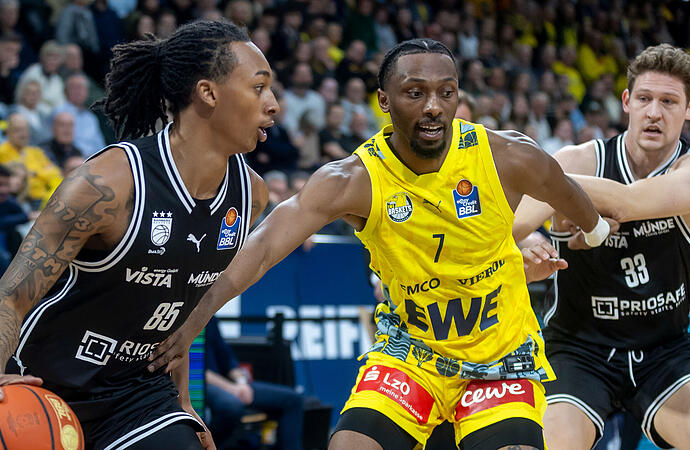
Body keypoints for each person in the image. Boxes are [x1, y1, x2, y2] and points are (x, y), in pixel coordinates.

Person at [148, 39, 610, 450]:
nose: (434, 107)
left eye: (446, 92)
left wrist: (593, 231)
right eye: (415, 93)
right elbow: (265, 246)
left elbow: (565, 188)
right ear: (384, 101)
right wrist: (196, 317)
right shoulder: (353, 178)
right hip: (412, 356)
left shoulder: (506, 154)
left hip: (500, 356)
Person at [0, 20, 279, 450]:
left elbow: (177, 306)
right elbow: (9, 298)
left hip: (137, 395)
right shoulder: (107, 186)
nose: (273, 104)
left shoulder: (249, 195)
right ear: (208, 93)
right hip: (44, 387)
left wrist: (182, 403)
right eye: (259, 87)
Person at [513, 44, 690, 450]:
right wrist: (525, 247)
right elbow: (505, 230)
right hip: (577, 350)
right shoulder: (579, 161)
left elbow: (627, 202)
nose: (654, 112)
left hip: (664, 350)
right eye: (644, 99)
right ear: (627, 101)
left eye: (669, 102)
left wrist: (553, 184)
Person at [205, 317, 304, 449]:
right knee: (232, 406)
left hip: (230, 383)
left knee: (292, 399)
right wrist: (232, 388)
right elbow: (194, 371)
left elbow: (227, 358)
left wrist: (241, 383)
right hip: (198, 385)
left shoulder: (210, 318)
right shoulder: (185, 319)